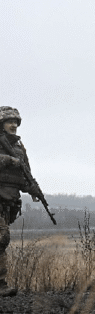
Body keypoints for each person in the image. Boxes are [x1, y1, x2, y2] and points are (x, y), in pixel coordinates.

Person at [0, 107, 44, 297]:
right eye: (9, 121)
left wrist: (33, 189)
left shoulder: (19, 148)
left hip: (8, 201)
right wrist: (8, 160)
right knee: (2, 237)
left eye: (16, 122)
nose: (13, 125)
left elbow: (24, 173)